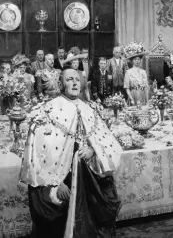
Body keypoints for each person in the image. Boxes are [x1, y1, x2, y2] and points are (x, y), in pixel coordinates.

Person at [20, 68, 123, 238]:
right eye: (69, 79)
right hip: (61, 179)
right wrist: (55, 183)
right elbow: (40, 153)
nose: (75, 82)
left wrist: (93, 151)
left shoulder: (89, 109)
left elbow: (107, 142)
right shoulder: (48, 110)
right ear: (61, 84)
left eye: (77, 79)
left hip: (88, 177)